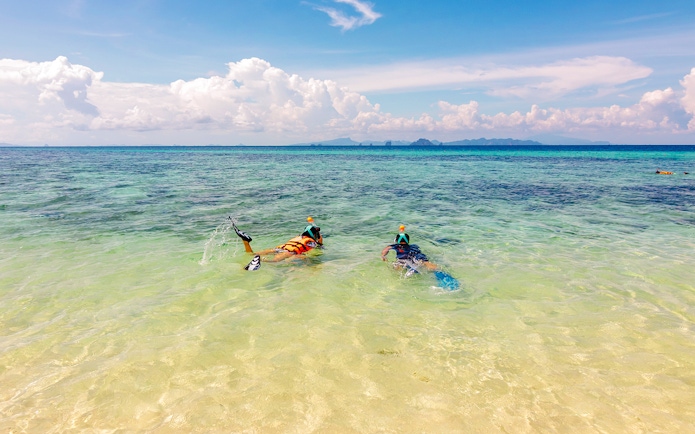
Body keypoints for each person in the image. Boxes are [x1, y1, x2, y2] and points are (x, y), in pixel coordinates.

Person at [233, 217, 323, 270]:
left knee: (251, 254)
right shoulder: (311, 242)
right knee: (275, 261)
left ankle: (246, 241)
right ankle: (261, 261)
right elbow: (318, 246)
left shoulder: (298, 237)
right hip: (289, 252)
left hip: (279, 248)